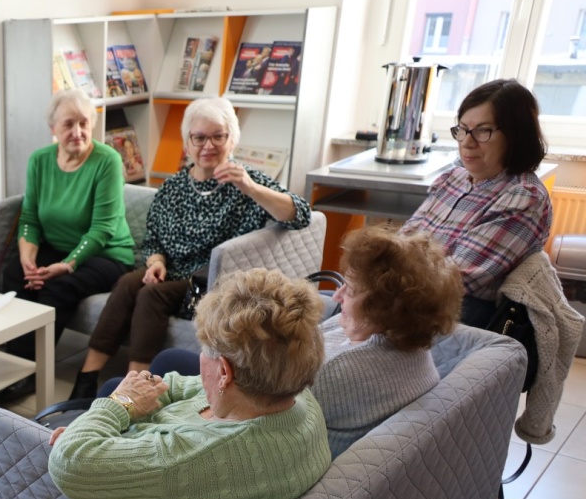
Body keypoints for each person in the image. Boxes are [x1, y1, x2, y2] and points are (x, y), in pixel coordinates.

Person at [0, 268, 330, 499]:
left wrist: (118, 411)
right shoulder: (292, 396)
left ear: (226, 372)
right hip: (154, 476)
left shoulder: (191, 457)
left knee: (36, 436)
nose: (201, 363)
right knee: (111, 399)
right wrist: (128, 411)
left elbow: (72, 464)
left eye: (207, 354)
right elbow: (184, 385)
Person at [113, 227, 464, 458]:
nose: (337, 294)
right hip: (267, 400)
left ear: (386, 309)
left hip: (262, 434)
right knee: (164, 365)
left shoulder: (338, 374)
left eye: (352, 290)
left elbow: (248, 410)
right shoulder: (409, 344)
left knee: (138, 378)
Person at [69, 97, 312, 399]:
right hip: (170, 272)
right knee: (128, 283)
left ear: (231, 139)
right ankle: (87, 376)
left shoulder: (246, 182)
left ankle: (134, 387)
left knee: (151, 294)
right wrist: (156, 260)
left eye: (218, 136)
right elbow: (154, 238)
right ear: (187, 142)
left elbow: (300, 215)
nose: (208, 145)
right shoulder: (173, 187)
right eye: (199, 137)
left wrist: (249, 187)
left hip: (208, 284)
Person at [0, 88, 136, 403]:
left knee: (57, 288)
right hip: (57, 247)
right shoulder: (40, 160)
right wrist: (26, 258)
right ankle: (13, 363)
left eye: (84, 123)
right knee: (15, 274)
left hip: (107, 254)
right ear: (53, 130)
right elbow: (29, 217)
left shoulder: (107, 161)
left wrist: (67, 265)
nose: (78, 132)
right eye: (68, 124)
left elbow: (102, 228)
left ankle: (31, 371)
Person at [402, 78, 552, 328]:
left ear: (515, 135)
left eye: (483, 130)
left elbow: (456, 279)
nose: (467, 142)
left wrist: (380, 286)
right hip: (405, 296)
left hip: (450, 316)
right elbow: (402, 241)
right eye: (462, 129)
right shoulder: (453, 178)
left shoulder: (524, 196)